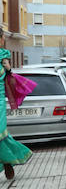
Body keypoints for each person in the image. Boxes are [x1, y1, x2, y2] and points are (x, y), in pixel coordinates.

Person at [0, 32, 32, 181]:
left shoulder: (3, 55)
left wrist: (9, 70)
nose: (3, 40)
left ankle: (8, 161)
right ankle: (7, 161)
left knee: (1, 133)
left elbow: (9, 76)